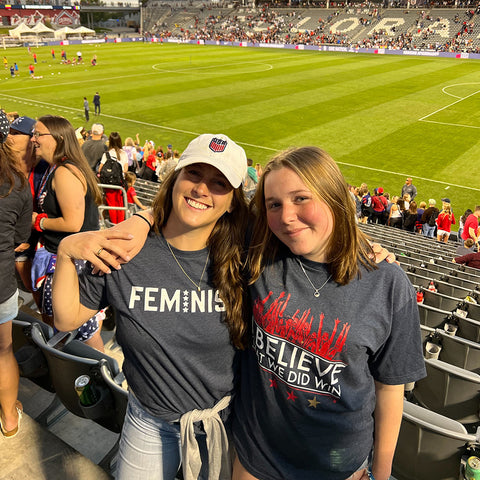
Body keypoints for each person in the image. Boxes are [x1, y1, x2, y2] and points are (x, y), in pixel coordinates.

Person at [52, 133, 251, 480]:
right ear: (175, 178)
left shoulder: (247, 259)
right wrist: (67, 250)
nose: (203, 189)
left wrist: (377, 257)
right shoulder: (125, 249)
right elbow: (67, 318)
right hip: (149, 424)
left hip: (224, 423)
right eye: (194, 175)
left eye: (219, 183)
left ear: (233, 201)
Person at [232, 146, 426, 480]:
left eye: (301, 198)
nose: (286, 216)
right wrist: (144, 220)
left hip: (338, 468)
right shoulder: (260, 253)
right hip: (256, 458)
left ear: (333, 196)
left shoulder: (388, 283)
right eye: (273, 204)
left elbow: (390, 388)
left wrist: (380, 473)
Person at [30, 115, 104, 350]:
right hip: (70, 260)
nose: (34, 139)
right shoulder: (59, 167)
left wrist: (39, 222)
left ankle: (99, 380)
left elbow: (73, 223)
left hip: (72, 264)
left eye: (38, 134)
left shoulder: (64, 172)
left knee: (81, 333)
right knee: (74, 333)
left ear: (57, 138)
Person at [0, 111, 32, 438]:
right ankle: (9, 418)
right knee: (3, 350)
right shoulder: (17, 184)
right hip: (0, 283)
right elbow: (21, 237)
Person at [98, 131, 128, 224]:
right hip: (119, 183)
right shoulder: (123, 153)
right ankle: (120, 224)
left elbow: (100, 169)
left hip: (109, 184)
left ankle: (115, 224)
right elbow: (125, 169)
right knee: (120, 204)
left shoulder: (107, 154)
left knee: (112, 204)